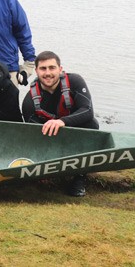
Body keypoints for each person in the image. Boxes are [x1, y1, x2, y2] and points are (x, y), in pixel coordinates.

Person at [22, 51, 98, 197]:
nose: (48, 73)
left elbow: (88, 110)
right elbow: (32, 135)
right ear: (36, 71)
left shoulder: (75, 81)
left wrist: (62, 121)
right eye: (43, 69)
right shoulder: (29, 101)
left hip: (78, 131)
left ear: (60, 69)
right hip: (50, 139)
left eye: (52, 68)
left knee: (92, 125)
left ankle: (80, 177)